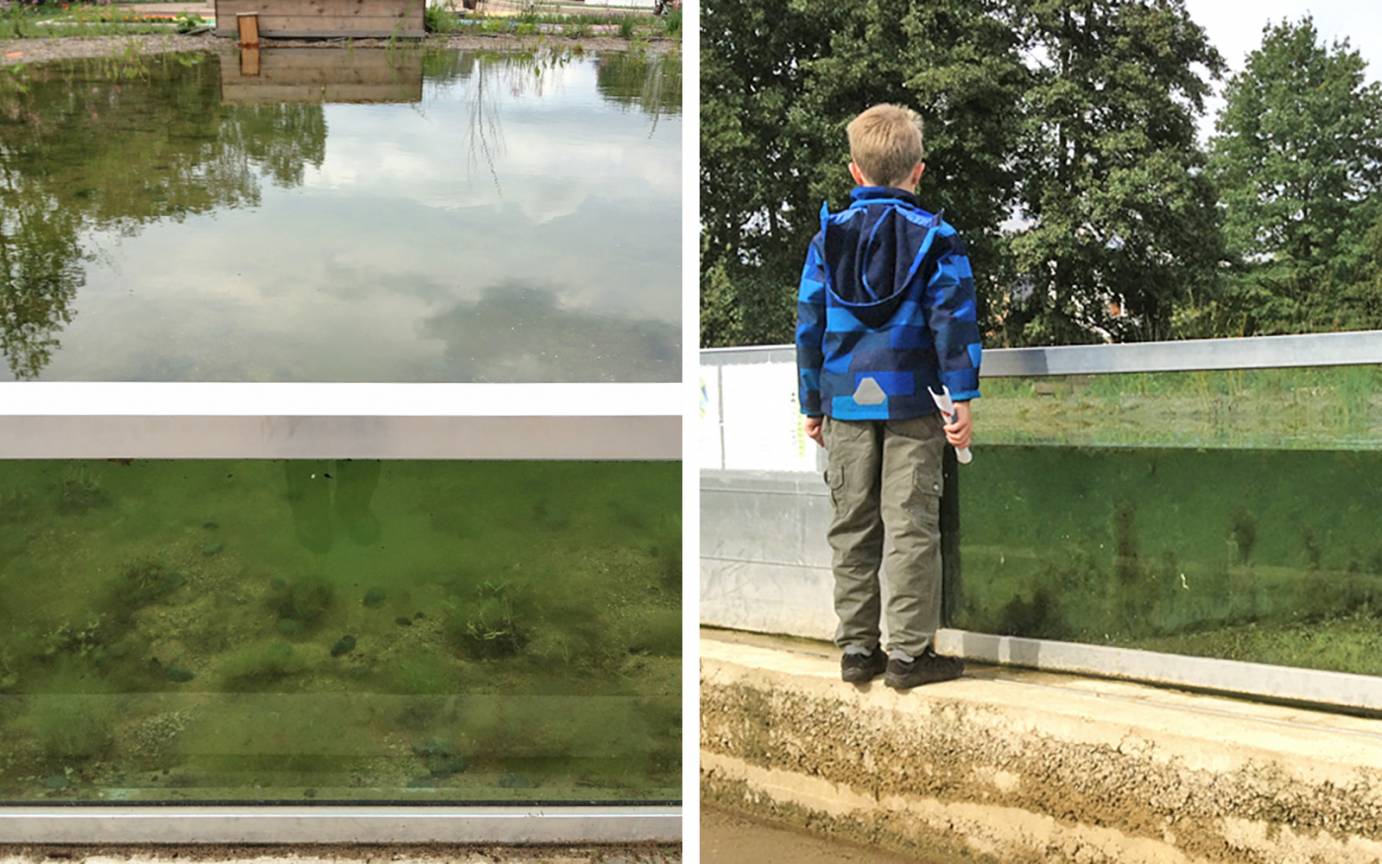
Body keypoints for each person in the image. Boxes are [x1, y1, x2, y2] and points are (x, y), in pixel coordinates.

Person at [795, 103, 982, 689]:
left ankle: (856, 651)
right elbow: (954, 322)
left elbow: (809, 324)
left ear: (855, 173)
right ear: (917, 172)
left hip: (845, 404)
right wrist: (964, 396)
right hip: (914, 406)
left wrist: (810, 402)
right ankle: (907, 656)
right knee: (909, 526)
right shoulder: (938, 239)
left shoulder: (828, 238)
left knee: (851, 525)